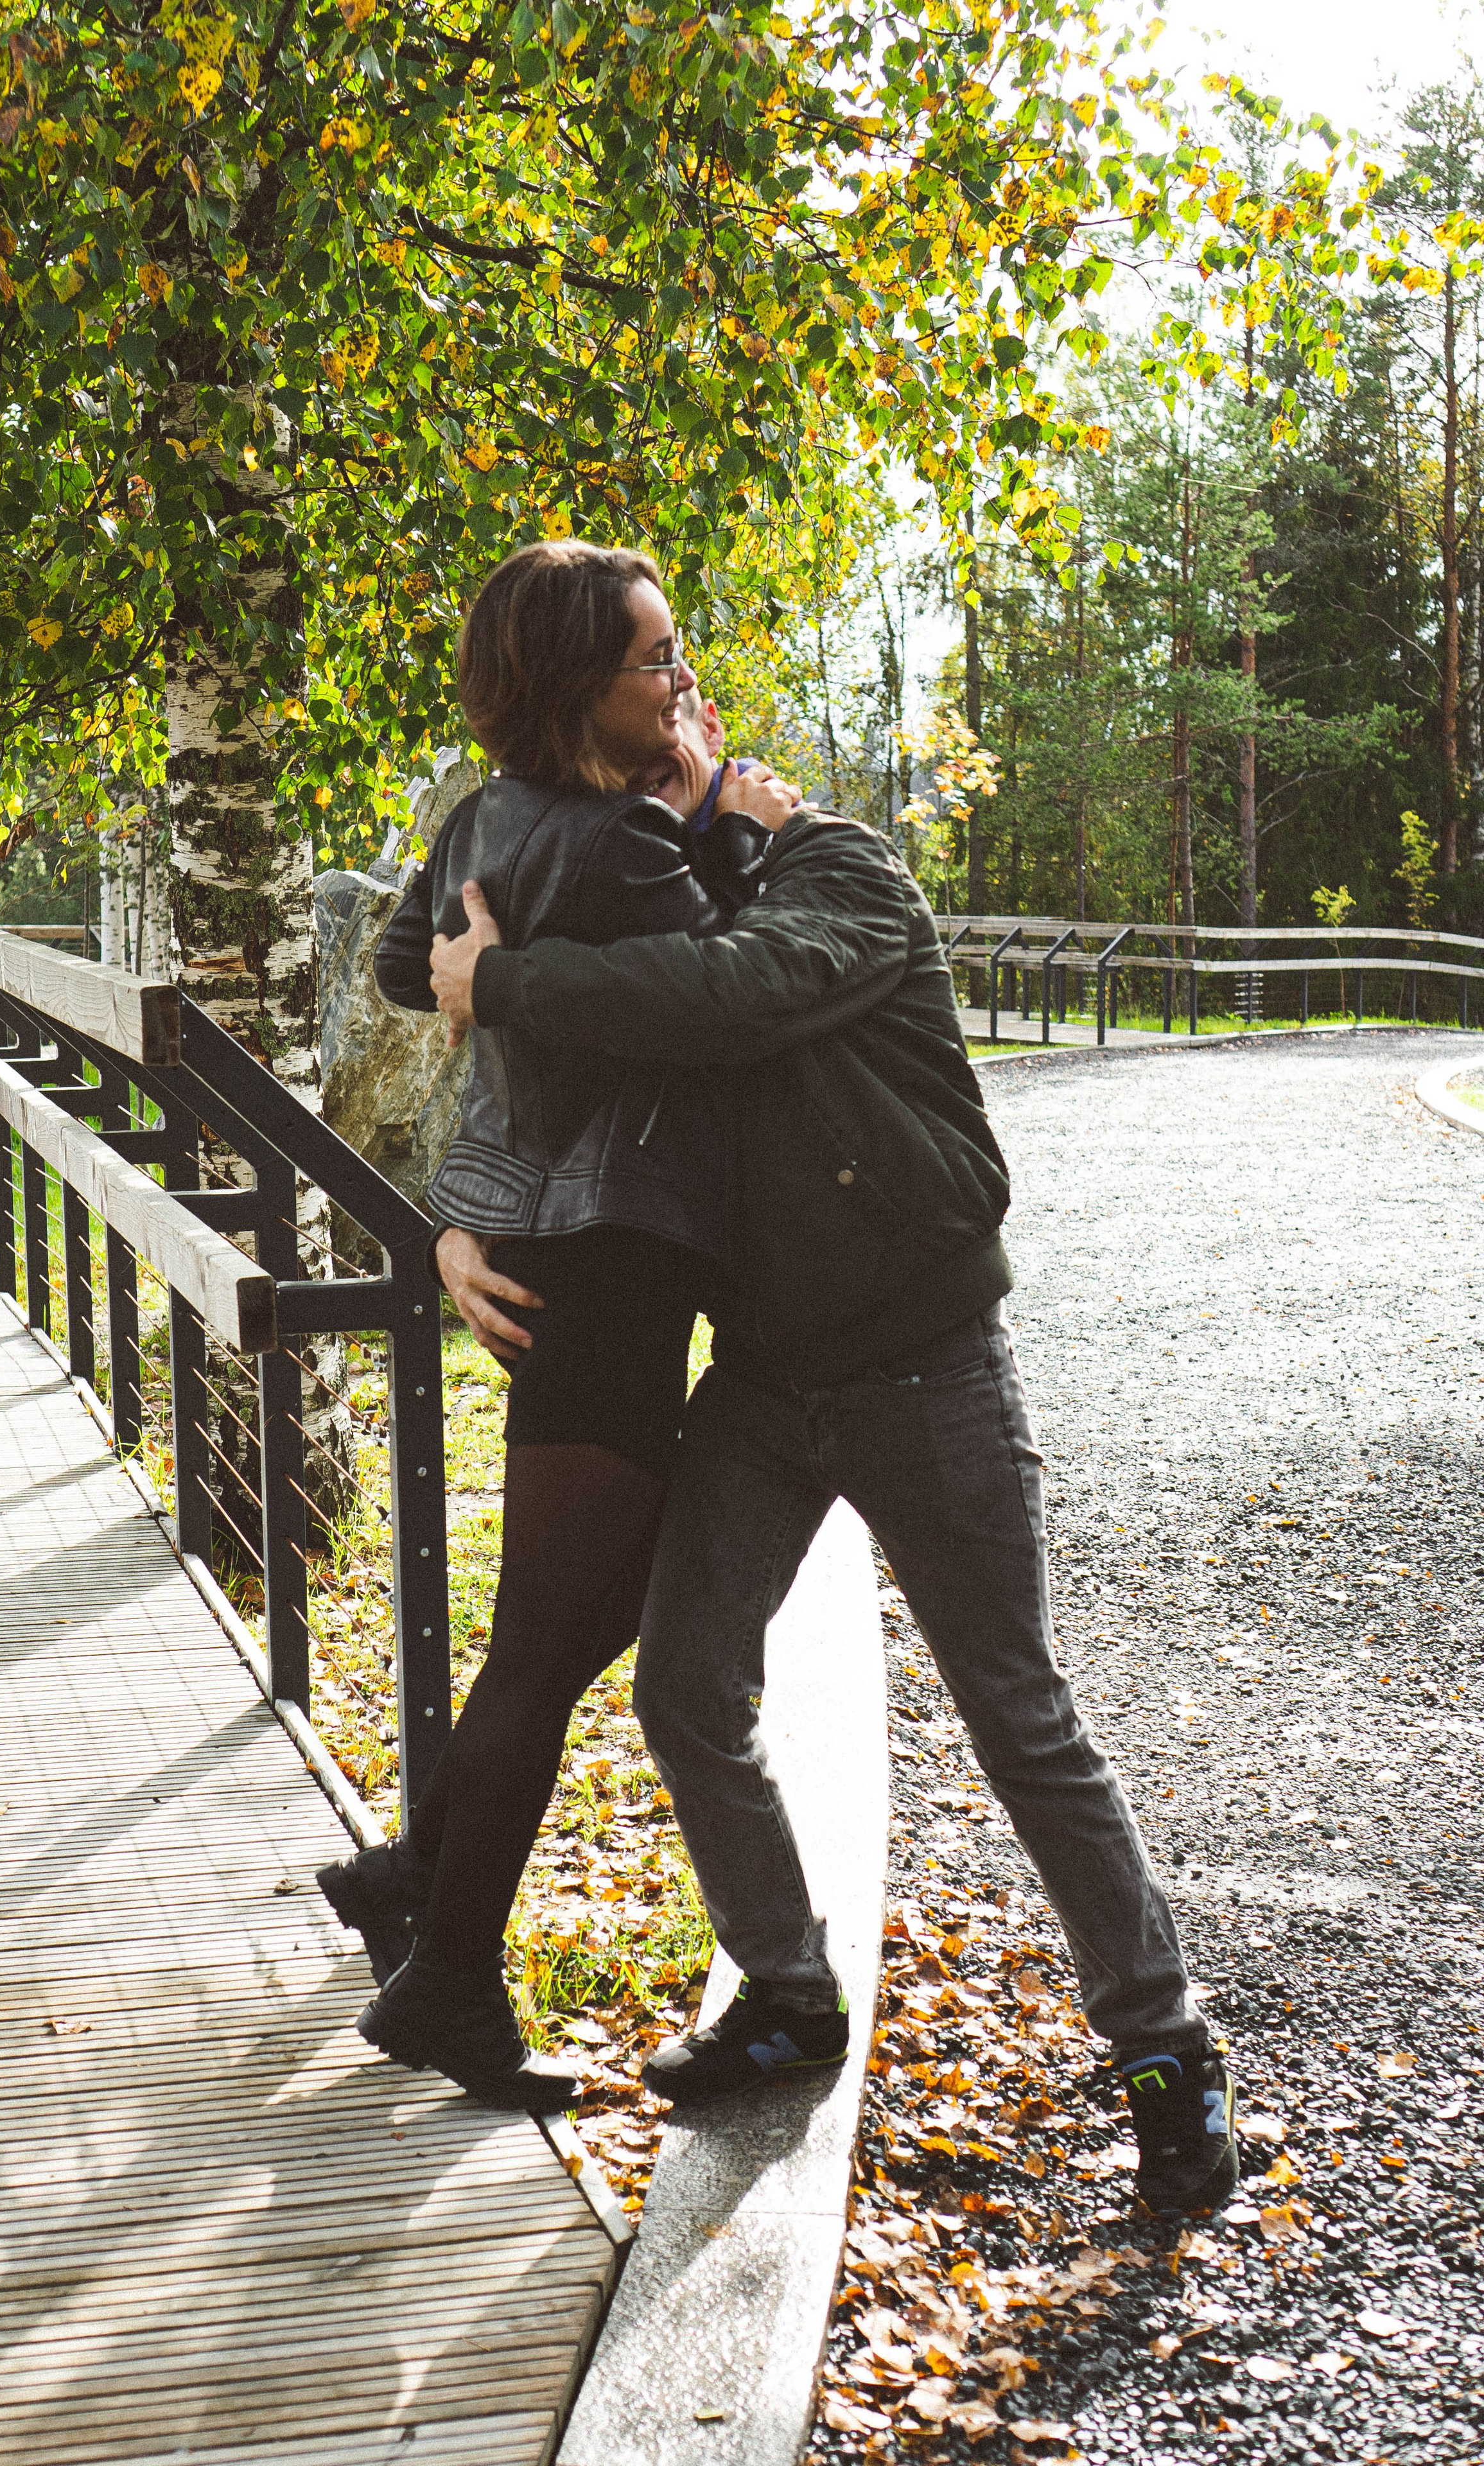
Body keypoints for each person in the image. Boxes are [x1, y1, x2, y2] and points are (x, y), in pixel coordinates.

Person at [427, 796, 1240, 2216]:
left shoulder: (833, 867)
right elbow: (536, 1086)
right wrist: (456, 1218)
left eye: (692, 692)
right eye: (656, 693)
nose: (680, 715)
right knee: (685, 1685)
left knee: (1016, 1714)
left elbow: (739, 991)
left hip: (922, 1364)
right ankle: (790, 1993)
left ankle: (1166, 2049)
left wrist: (500, 974)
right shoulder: (645, 905)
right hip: (760, 1379)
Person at [315, 537, 793, 2113]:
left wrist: (512, 970)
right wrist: (726, 824)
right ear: (579, 683)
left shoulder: (485, 816)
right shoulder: (623, 839)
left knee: (594, 1613)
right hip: (610, 1261)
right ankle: (448, 1979)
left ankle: (412, 1874)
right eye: (655, 658)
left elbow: (412, 968)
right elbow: (735, 994)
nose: (682, 679)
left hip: (554, 1245)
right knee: (542, 1642)